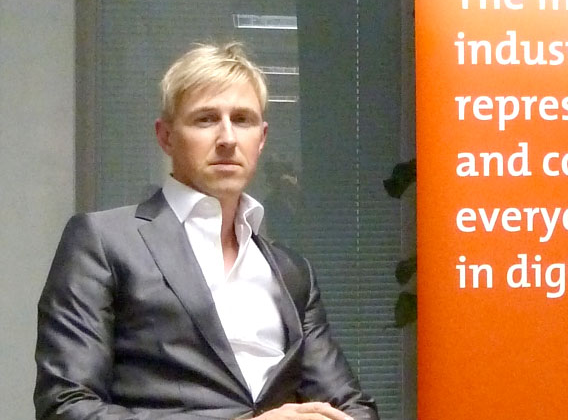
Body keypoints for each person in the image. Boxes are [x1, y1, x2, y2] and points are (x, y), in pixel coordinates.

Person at [34, 43, 378, 420]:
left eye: (242, 120)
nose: (228, 138)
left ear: (262, 138)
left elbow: (353, 406)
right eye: (206, 119)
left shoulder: (292, 272)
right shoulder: (103, 241)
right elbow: (66, 407)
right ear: (165, 136)